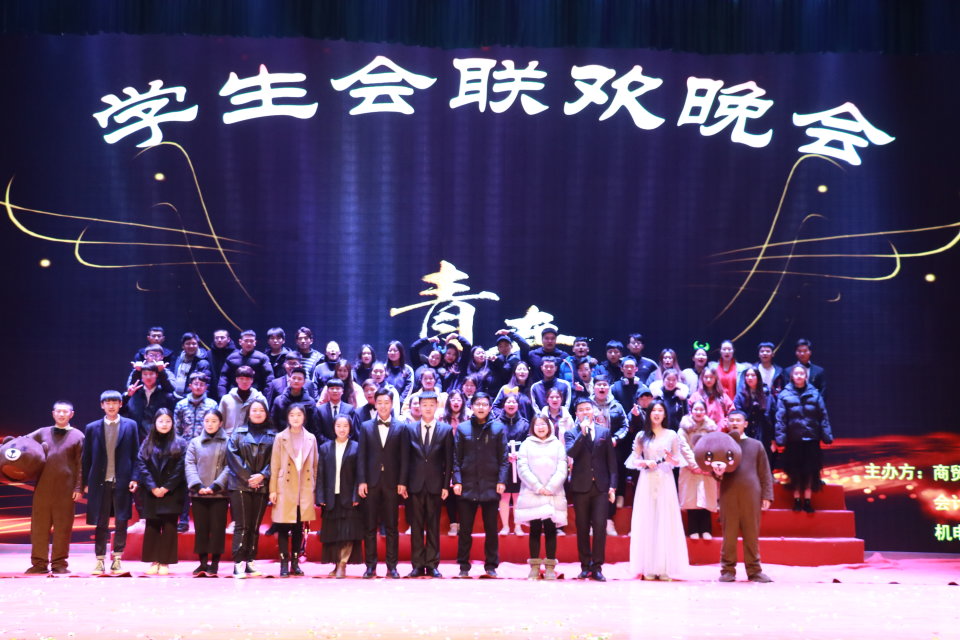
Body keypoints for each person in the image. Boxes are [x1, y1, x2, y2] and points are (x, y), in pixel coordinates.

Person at [625, 400, 692, 581]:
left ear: (665, 414)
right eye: (653, 410)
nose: (656, 413)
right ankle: (648, 567)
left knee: (665, 520)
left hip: (665, 480)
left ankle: (663, 568)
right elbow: (633, 460)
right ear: (649, 414)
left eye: (660, 410)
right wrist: (645, 462)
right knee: (648, 520)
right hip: (647, 481)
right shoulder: (642, 436)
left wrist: (670, 459)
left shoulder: (672, 435)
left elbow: (678, 460)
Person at [82, 390, 141, 575]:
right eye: (107, 402)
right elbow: (86, 458)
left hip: (122, 481)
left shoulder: (131, 425)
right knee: (101, 523)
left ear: (121, 404)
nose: (111, 406)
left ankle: (117, 559)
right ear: (102, 405)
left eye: (115, 402)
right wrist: (85, 482)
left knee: (122, 521)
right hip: (100, 482)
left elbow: (136, 454)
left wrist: (135, 477)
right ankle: (99, 560)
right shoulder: (92, 428)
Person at [452, 392, 509, 578]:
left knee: (491, 529)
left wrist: (501, 480)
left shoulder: (498, 428)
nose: (481, 407)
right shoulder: (463, 428)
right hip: (467, 484)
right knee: (465, 530)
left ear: (490, 407)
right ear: (471, 407)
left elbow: (503, 458)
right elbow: (456, 458)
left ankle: (491, 566)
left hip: (490, 484)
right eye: (477, 404)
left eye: (485, 404)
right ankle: (463, 566)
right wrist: (457, 480)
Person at [24, 401, 84, 574]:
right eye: (58, 411)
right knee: (39, 527)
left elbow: (82, 464)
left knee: (63, 528)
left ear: (71, 414)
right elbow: (23, 443)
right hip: (43, 486)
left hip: (66, 489)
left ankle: (59, 563)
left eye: (65, 411)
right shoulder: (42, 432)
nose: (61, 414)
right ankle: (39, 563)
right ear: (53, 413)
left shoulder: (78, 436)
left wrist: (78, 488)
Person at [357, 389, 409, 579]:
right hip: (371, 482)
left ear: (392, 404)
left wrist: (402, 481)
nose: (383, 406)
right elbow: (361, 456)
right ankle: (370, 566)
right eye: (380, 402)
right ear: (375, 403)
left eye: (386, 402)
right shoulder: (366, 426)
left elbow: (405, 457)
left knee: (392, 527)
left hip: (392, 483)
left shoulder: (401, 427)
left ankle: (392, 567)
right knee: (369, 526)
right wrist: (361, 481)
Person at [717, 411, 774, 583]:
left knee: (751, 534)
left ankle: (754, 570)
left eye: (738, 420)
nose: (735, 423)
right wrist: (717, 473)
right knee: (729, 535)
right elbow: (715, 472)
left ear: (745, 424)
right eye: (732, 420)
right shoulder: (721, 445)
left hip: (752, 494)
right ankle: (727, 570)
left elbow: (765, 472)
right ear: (727, 423)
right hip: (728, 493)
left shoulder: (756, 445)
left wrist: (767, 495)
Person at [564, 398, 617, 582]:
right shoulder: (571, 433)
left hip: (601, 487)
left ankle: (597, 567)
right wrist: (583, 433)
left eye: (588, 409)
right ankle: (585, 566)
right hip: (581, 487)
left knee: (600, 527)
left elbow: (611, 462)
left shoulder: (604, 432)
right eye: (581, 410)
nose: (585, 412)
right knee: (582, 527)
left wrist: (612, 486)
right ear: (576, 414)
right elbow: (571, 453)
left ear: (594, 411)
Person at [404, 391, 453, 578]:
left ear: (436, 406)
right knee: (416, 526)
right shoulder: (409, 429)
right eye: (424, 405)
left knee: (433, 526)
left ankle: (432, 564)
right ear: (418, 406)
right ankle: (417, 565)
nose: (427, 408)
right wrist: (403, 483)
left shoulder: (445, 430)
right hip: (415, 484)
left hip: (435, 484)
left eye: (431, 405)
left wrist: (445, 486)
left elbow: (448, 460)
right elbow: (405, 459)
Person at [225, 399, 276, 578]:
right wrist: (249, 477)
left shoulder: (273, 435)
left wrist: (263, 475)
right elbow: (232, 458)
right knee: (243, 525)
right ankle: (238, 562)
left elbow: (276, 459)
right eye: (254, 410)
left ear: (266, 413)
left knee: (255, 526)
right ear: (248, 413)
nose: (257, 413)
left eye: (261, 410)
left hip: (262, 484)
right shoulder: (237, 434)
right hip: (240, 485)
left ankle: (250, 561)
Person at [774, 364, 833, 513]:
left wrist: (827, 435)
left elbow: (823, 416)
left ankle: (807, 500)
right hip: (793, 440)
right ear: (792, 376)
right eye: (796, 374)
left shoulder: (815, 393)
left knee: (810, 471)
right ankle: (796, 500)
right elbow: (780, 419)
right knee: (795, 472)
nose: (799, 376)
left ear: (806, 376)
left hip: (811, 439)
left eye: (802, 374)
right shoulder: (784, 394)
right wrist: (780, 439)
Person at [515, 415, 567, 581]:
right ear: (533, 427)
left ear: (549, 426)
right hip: (533, 492)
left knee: (551, 529)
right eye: (537, 425)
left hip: (553, 493)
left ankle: (550, 566)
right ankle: (535, 567)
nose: (540, 427)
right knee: (535, 529)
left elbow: (562, 467)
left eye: (543, 424)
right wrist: (537, 486)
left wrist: (551, 487)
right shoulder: (526, 444)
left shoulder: (557, 444)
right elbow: (522, 467)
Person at [269, 404, 319, 577]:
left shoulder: (311, 438)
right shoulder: (280, 437)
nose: (296, 418)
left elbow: (315, 466)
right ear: (287, 417)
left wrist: (314, 489)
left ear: (304, 417)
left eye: (299, 415)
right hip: (285, 487)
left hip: (304, 488)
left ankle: (295, 563)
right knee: (283, 526)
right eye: (292, 415)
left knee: (298, 527)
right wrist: (273, 490)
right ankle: (284, 563)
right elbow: (274, 465)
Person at [138, 408, 187, 575]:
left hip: (172, 491)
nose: (164, 424)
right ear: (155, 423)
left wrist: (166, 488)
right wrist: (153, 487)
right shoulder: (147, 442)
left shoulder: (181, 443)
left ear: (173, 423)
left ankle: (165, 561)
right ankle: (154, 560)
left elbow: (180, 469)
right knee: (152, 525)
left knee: (169, 526)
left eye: (168, 421)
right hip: (151, 491)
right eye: (161, 421)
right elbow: (142, 465)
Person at [316, 416, 363, 578]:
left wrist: (356, 495)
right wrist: (320, 496)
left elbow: (360, 474)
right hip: (331, 497)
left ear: (350, 428)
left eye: (345, 426)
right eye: (338, 425)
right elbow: (320, 474)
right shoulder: (325, 448)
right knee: (334, 534)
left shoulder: (357, 447)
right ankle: (336, 564)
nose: (342, 429)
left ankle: (343, 564)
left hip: (349, 497)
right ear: (333, 427)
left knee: (348, 533)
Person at [184, 409, 230, 576]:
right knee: (201, 528)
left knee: (218, 529)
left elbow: (230, 466)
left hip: (219, 493)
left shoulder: (228, 442)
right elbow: (189, 464)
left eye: (214, 421)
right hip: (199, 493)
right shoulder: (195, 442)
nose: (210, 424)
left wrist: (216, 486)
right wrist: (198, 486)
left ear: (220, 423)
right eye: (207, 421)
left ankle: (215, 563)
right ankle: (203, 562)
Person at [678, 400, 719, 539]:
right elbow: (683, 447)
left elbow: (715, 447)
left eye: (701, 409)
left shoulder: (711, 428)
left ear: (705, 411)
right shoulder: (683, 428)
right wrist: (694, 465)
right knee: (692, 498)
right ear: (691, 411)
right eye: (696, 409)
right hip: (689, 468)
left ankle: (706, 529)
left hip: (707, 467)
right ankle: (693, 529)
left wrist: (705, 465)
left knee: (705, 498)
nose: (698, 412)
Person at [122, 361, 176, 442]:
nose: (148, 377)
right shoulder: (134, 394)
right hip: (136, 438)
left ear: (156, 375)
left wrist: (162, 371)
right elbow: (120, 410)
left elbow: (170, 389)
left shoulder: (165, 395)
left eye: (151, 374)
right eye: (145, 374)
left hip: (159, 437)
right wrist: (127, 396)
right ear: (141, 376)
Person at [499, 393, 529, 536]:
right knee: (504, 496)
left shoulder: (525, 423)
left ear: (518, 405)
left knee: (518, 496)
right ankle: (505, 526)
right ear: (503, 405)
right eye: (508, 402)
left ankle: (518, 526)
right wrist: (505, 455)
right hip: (503, 465)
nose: (511, 405)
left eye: (513, 402)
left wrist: (519, 454)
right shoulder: (496, 423)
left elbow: (528, 444)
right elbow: (494, 444)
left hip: (520, 463)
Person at [218, 330, 273, 398]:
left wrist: (265, 398)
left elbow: (269, 379)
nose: (249, 343)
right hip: (234, 396)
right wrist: (223, 397)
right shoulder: (231, 358)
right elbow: (223, 379)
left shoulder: (262, 358)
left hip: (256, 397)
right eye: (246, 341)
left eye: (251, 341)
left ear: (255, 342)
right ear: (240, 342)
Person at [734, 366, 775, 459]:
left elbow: (772, 417)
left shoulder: (767, 395)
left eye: (753, 375)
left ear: (758, 377)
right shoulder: (740, 396)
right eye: (747, 375)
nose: (750, 378)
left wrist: (773, 439)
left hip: (764, 433)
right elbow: (739, 415)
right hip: (746, 432)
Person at [218, 366, 268, 436]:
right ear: (236, 379)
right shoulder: (226, 399)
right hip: (229, 437)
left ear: (252, 380)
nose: (244, 382)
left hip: (253, 438)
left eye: (247, 379)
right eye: (241, 379)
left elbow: (266, 421)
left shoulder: (260, 399)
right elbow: (220, 422)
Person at [689, 365, 732, 432]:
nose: (708, 380)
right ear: (702, 378)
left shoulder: (722, 396)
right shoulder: (696, 396)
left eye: (711, 377)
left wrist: (722, 426)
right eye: (706, 377)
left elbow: (731, 413)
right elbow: (689, 413)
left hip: (720, 432)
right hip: (700, 431)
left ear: (715, 378)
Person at [317, 378, 361, 442]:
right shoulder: (320, 410)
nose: (335, 391)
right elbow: (318, 432)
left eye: (338, 388)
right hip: (325, 445)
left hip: (346, 444)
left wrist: (343, 442)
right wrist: (329, 444)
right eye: (332, 388)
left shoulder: (349, 408)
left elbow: (353, 430)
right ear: (327, 391)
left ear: (342, 391)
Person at [169, 332, 212, 398]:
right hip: (175, 397)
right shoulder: (178, 359)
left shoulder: (203, 363)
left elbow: (205, 385)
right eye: (188, 344)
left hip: (191, 400)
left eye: (194, 343)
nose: (191, 346)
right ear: (183, 346)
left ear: (198, 345)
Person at [207, 329, 237, 401]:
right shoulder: (208, 354)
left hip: (232, 393)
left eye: (222, 337)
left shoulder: (236, 354)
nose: (219, 340)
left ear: (228, 339)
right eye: (216, 338)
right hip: (212, 394)